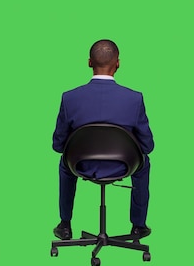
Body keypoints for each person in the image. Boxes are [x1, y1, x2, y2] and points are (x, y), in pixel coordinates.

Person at [52, 39, 154, 240]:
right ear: (118, 64)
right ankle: (138, 225)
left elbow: (58, 145)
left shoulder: (69, 98)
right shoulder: (134, 99)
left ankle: (65, 224)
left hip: (80, 165)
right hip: (124, 166)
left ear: (89, 63)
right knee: (145, 163)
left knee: (64, 162)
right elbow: (148, 146)